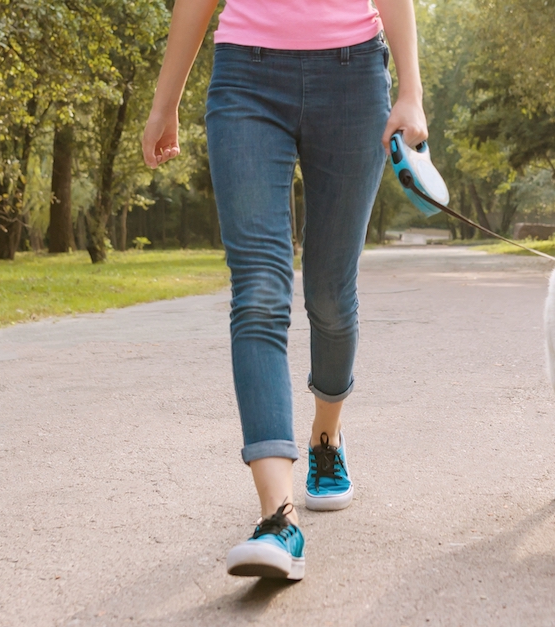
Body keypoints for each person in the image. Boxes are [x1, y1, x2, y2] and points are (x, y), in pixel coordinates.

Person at [141, 0, 427, 581]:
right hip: (246, 78)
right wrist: (164, 102)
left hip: (353, 80)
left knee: (328, 290)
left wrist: (411, 91)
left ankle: (327, 437)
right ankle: (277, 517)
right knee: (259, 291)